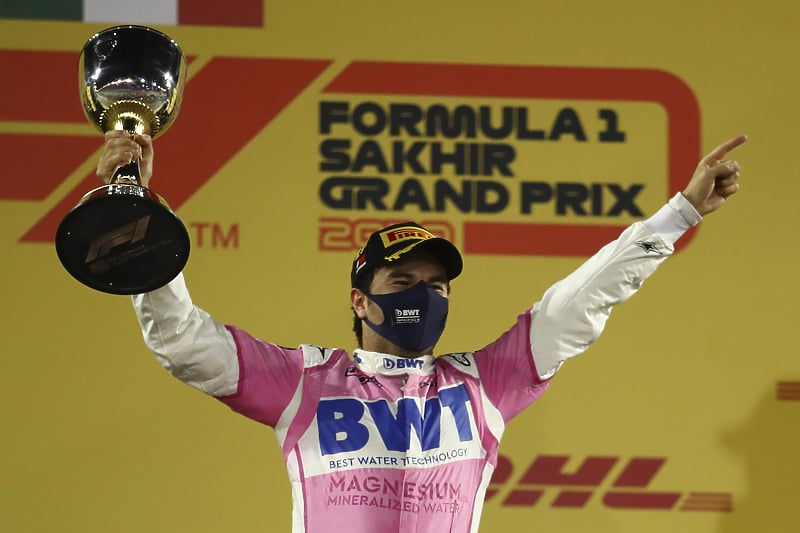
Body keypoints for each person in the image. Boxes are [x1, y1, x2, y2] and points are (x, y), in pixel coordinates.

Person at [98, 130, 746, 533]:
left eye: (437, 285)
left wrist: (679, 212)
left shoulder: (483, 384)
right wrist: (142, 233)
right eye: (404, 279)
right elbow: (182, 341)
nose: (425, 295)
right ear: (361, 298)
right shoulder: (305, 382)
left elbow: (580, 301)